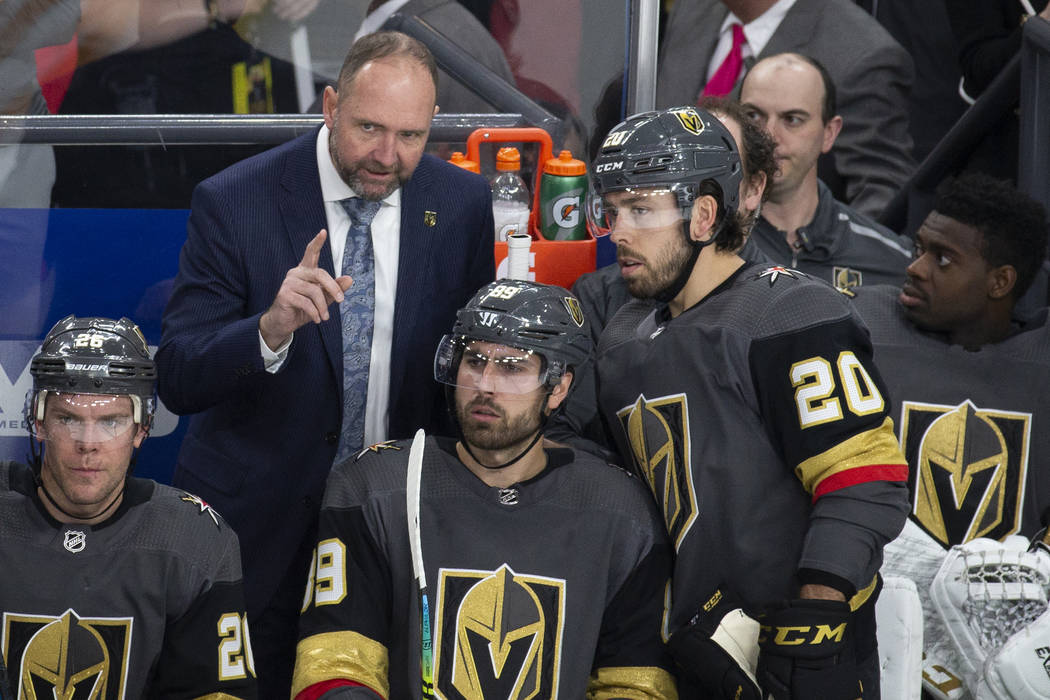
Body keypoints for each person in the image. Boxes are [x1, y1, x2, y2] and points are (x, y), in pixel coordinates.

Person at [156, 30, 494, 696]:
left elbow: (462, 366)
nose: (387, 155)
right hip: (257, 525)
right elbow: (178, 373)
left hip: (390, 528)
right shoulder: (235, 201)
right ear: (331, 105)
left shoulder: (459, 205)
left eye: (411, 135)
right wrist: (270, 329)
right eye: (369, 127)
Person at [586, 106, 910, 699]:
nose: (618, 232)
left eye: (639, 210)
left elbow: (864, 481)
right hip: (686, 649)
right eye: (610, 211)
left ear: (705, 214)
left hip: (800, 644)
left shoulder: (791, 314)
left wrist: (818, 615)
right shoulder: (622, 335)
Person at [292, 280, 677, 700]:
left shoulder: (621, 512)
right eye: (474, 361)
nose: (485, 384)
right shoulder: (375, 486)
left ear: (559, 388)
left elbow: (636, 686)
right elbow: (333, 667)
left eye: (512, 367)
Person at [848, 172, 1050, 696]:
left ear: (1000, 282)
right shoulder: (862, 326)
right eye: (918, 248)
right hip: (872, 627)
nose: (913, 268)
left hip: (1012, 649)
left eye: (942, 258)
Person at [0, 315, 256, 697]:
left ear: (141, 429)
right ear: (37, 421)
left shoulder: (194, 539)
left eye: (111, 422)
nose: (88, 443)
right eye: (68, 418)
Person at [656, 0, 915, 219]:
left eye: (792, 119)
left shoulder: (861, 54)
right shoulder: (692, 8)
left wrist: (806, 271)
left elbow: (880, 194)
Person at [740, 52, 913, 290]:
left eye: (792, 119)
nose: (769, 136)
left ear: (829, 133)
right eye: (753, 116)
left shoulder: (893, 262)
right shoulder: (701, 242)